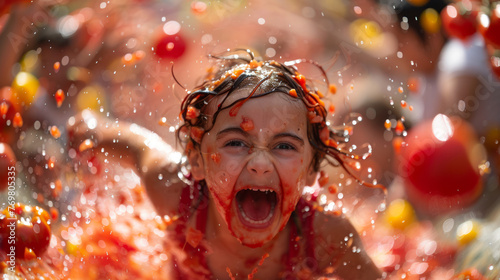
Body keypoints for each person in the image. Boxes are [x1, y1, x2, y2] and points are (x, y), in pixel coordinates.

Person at [68, 49, 382, 279]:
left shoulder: (326, 235)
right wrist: (91, 129)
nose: (260, 163)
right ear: (196, 160)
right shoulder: (177, 195)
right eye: (236, 143)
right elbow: (139, 146)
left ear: (312, 169)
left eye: (284, 146)